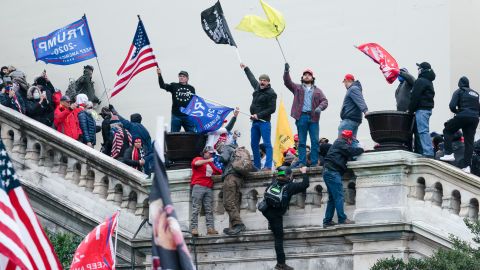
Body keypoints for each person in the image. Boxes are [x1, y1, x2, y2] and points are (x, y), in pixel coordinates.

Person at [261, 166, 309, 270]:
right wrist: (304, 172)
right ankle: (281, 264)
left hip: (265, 211)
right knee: (278, 238)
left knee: (273, 222)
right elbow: (305, 184)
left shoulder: (273, 182)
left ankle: (271, 225)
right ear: (289, 176)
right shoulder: (290, 187)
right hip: (276, 215)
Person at [283, 63, 328, 167]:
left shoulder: (318, 91)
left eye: (309, 75)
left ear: (312, 78)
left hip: (314, 118)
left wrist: (319, 108)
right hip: (301, 117)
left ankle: (314, 162)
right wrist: (286, 72)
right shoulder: (297, 88)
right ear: (302, 78)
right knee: (302, 142)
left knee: (315, 141)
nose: (307, 76)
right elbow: (287, 82)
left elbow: (325, 101)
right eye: (305, 74)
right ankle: (302, 163)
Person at [323, 130, 364, 228]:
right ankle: (342, 219)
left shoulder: (339, 142)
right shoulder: (341, 142)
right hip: (332, 172)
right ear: (349, 139)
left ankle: (327, 220)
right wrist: (362, 149)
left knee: (332, 198)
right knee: (339, 196)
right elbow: (351, 151)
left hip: (329, 172)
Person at [240, 63, 277, 170]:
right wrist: (246, 68)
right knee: (253, 144)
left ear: (268, 82)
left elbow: (272, 109)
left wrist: (258, 115)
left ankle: (268, 165)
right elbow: (251, 78)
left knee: (267, 144)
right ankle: (256, 165)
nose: (262, 82)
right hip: (255, 122)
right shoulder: (257, 87)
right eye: (261, 80)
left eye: (264, 80)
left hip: (264, 122)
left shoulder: (271, 93)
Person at [440, 77, 479, 172]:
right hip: (474, 118)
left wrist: (457, 111)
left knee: (448, 130)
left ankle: (449, 153)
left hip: (462, 115)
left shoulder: (459, 91)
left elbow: (452, 105)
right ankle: (467, 166)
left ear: (460, 83)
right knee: (469, 142)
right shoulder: (476, 94)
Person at [190, 146, 222, 236]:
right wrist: (208, 161)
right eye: (209, 152)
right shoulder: (198, 158)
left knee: (209, 209)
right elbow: (196, 163)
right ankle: (194, 229)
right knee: (196, 208)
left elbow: (219, 171)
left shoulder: (211, 164)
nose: (211, 154)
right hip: (198, 186)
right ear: (204, 152)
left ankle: (210, 229)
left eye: (212, 153)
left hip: (208, 187)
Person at [409, 62, 436, 157]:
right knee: (423, 131)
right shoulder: (428, 81)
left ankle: (428, 152)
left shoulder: (420, 81)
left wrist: (410, 110)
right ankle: (426, 151)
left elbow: (415, 97)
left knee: (423, 131)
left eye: (419, 68)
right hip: (427, 109)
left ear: (422, 70)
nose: (418, 70)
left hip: (422, 110)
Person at [157, 68, 196, 132]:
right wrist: (159, 75)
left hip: (187, 116)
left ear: (187, 78)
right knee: (174, 134)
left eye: (183, 76)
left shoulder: (191, 88)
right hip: (176, 115)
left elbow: (193, 102)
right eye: (180, 76)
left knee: (193, 134)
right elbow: (162, 86)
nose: (181, 77)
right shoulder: (174, 85)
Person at [338, 74, 368, 146]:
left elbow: (360, 100)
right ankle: (356, 154)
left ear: (346, 80)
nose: (344, 84)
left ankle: (357, 151)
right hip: (353, 120)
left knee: (341, 143)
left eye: (344, 82)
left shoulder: (353, 89)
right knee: (351, 143)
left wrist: (365, 111)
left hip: (349, 121)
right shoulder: (355, 89)